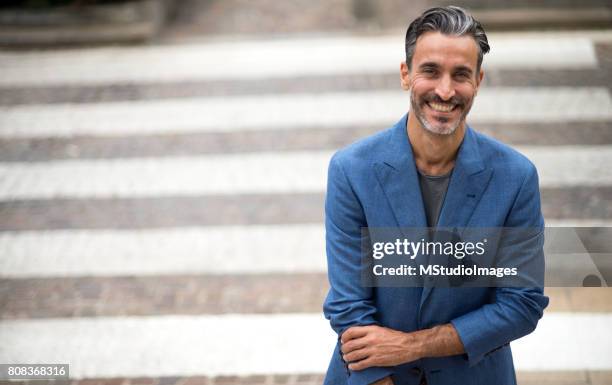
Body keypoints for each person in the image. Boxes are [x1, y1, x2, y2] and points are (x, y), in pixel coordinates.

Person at [322, 6, 549, 385]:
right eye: (430, 71)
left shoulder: (517, 177)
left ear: (478, 80)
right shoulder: (351, 169)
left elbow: (521, 304)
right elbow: (348, 304)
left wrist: (413, 346)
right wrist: (381, 375)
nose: (445, 91)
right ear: (406, 74)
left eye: (460, 75)